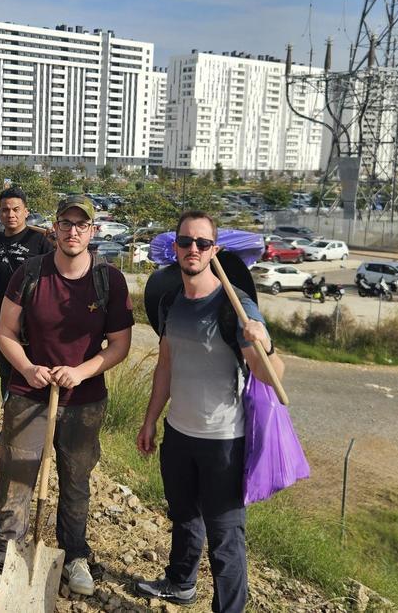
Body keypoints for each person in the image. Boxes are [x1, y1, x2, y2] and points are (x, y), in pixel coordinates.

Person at [0, 195, 134, 604]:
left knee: (76, 479)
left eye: (81, 224)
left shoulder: (109, 280)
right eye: (66, 223)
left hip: (84, 399)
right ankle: (3, 559)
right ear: (54, 228)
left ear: (92, 232)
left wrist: (82, 370)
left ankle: (75, 555)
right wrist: (25, 368)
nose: (73, 231)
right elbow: (4, 331)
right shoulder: (31, 272)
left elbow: (120, 344)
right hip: (28, 394)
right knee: (16, 477)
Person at [133, 210, 285, 612]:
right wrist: (150, 420)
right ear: (176, 249)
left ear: (214, 249)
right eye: (186, 242)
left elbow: (272, 376)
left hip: (223, 443)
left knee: (225, 538)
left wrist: (263, 344)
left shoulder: (236, 306)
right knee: (183, 518)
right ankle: (181, 583)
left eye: (202, 243)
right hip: (178, 434)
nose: (193, 249)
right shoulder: (170, 301)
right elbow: (165, 365)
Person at [0, 187, 52, 446]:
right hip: (1, 322)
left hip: (33, 323)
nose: (10, 214)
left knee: (35, 372)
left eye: (15, 209)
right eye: (5, 209)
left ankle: (38, 428)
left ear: (26, 212)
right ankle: (9, 427)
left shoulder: (41, 242)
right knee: (7, 373)